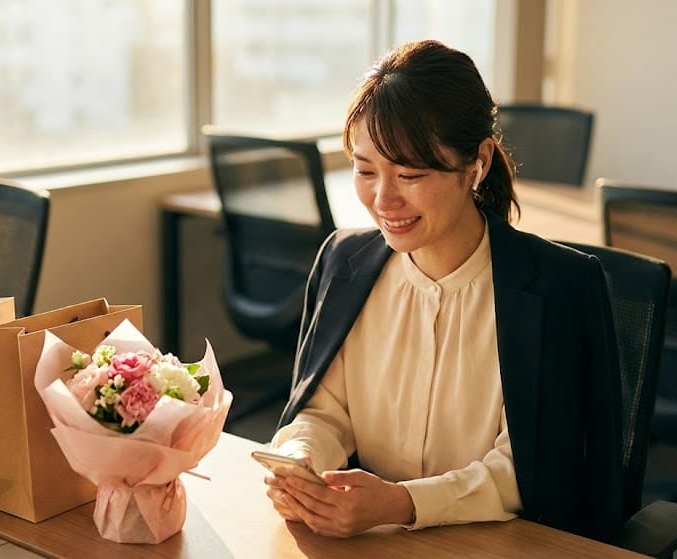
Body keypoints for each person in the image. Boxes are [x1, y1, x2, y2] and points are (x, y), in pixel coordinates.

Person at [263, 40, 624, 542]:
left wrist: (403, 502)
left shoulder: (558, 288)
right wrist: (301, 458)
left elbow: (532, 468)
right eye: (366, 171)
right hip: (371, 540)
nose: (383, 199)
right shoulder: (344, 262)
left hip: (502, 542)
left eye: (410, 174)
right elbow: (325, 411)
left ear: (477, 163)